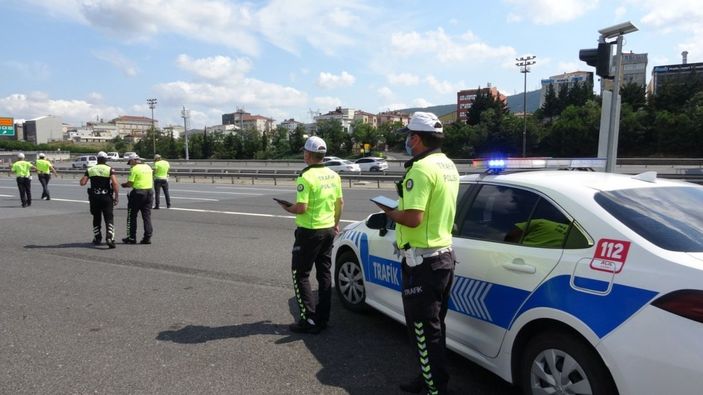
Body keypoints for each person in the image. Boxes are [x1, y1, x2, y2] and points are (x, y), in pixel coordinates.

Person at [373, 112, 460, 395]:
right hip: (443, 258)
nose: (407, 142)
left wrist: (390, 211)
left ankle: (435, 388)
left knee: (423, 332)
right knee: (434, 328)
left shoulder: (421, 170)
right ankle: (430, 379)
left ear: (416, 138)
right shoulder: (448, 165)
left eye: (409, 136)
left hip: (423, 263)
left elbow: (413, 218)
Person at [276, 136, 343, 334]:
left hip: (309, 232)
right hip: (329, 229)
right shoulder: (334, 175)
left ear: (308, 154)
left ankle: (307, 320)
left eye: (304, 152)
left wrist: (287, 207)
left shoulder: (305, 177)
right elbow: (340, 204)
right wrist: (336, 224)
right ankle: (323, 318)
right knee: (324, 274)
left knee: (300, 274)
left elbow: (302, 208)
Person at [80, 151, 119, 248]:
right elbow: (114, 183)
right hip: (106, 197)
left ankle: (97, 238)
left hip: (94, 197)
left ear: (97, 159)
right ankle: (109, 238)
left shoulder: (91, 169)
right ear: (105, 159)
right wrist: (116, 196)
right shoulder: (109, 169)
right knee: (109, 218)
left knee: (96, 217)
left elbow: (82, 183)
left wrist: (86, 175)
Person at [121, 153, 154, 244]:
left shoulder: (134, 169)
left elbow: (130, 183)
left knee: (132, 216)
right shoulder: (148, 167)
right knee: (146, 216)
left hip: (138, 193)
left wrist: (123, 185)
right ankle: (147, 237)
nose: (130, 164)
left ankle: (131, 237)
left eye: (130, 162)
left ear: (132, 160)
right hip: (149, 192)